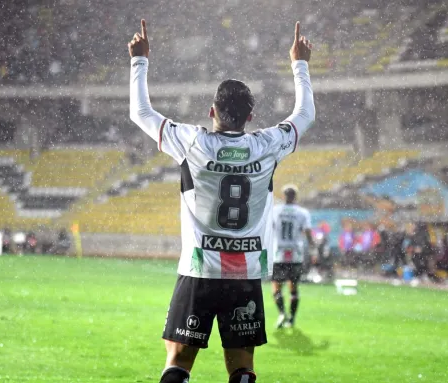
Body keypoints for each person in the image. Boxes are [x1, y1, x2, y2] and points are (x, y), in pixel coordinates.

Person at [128, 19, 314, 383]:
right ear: (250, 117)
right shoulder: (266, 146)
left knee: (179, 361)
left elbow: (141, 113)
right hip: (244, 275)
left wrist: (139, 60)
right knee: (242, 366)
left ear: (212, 111)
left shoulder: (192, 143)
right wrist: (300, 64)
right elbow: (304, 115)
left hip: (199, 270)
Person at [271, 185, 315, 329]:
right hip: (295, 254)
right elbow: (308, 232)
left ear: (284, 196)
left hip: (279, 254)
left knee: (277, 288)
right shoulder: (302, 213)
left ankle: (282, 313)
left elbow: (269, 230)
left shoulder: (275, 211)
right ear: (296, 196)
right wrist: (314, 248)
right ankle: (292, 319)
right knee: (293, 288)